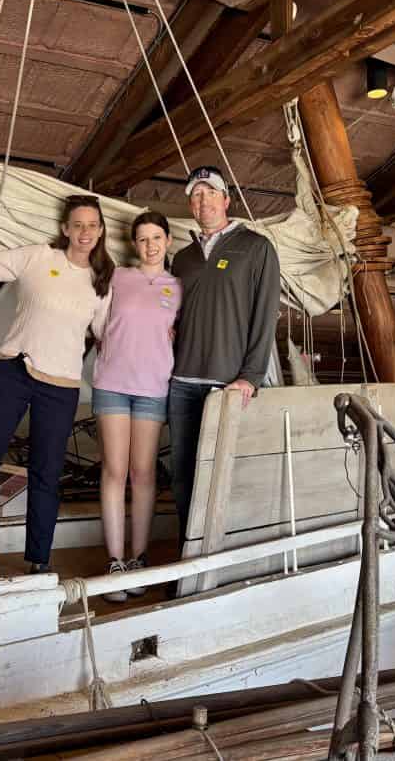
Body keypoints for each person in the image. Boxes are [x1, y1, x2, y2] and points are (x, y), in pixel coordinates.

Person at [0, 195, 114, 573]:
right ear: (65, 228)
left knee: (46, 473)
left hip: (61, 386)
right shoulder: (38, 257)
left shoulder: (102, 283)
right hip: (13, 372)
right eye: (78, 225)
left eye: (92, 225)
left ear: (101, 231)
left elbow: (105, 335)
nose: (85, 232)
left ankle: (38, 561)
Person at [167, 165, 281, 540]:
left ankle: (225, 554)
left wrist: (250, 376)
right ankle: (188, 552)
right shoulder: (182, 258)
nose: (203, 201)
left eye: (211, 193)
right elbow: (175, 314)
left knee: (228, 475)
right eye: (196, 195)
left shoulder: (256, 248)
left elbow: (265, 315)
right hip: (182, 382)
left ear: (226, 199)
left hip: (229, 384)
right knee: (184, 473)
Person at [91, 211, 181, 602]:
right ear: (134, 244)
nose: (150, 245)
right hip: (112, 384)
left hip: (153, 387)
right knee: (114, 470)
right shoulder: (117, 277)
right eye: (143, 239)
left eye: (156, 237)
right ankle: (114, 561)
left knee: (143, 473)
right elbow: (95, 318)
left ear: (168, 240)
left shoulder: (178, 286)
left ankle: (138, 558)